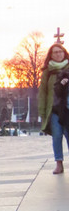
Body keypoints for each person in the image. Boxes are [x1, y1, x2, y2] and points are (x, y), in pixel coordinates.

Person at [38, 42, 69, 174]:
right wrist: (42, 111)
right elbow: (42, 92)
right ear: (51, 55)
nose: (58, 54)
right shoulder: (47, 72)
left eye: (60, 51)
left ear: (64, 53)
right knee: (56, 135)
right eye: (55, 52)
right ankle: (59, 163)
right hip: (54, 109)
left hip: (67, 108)